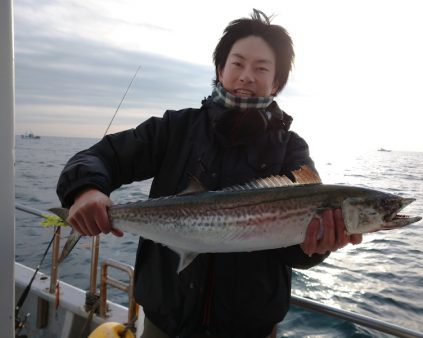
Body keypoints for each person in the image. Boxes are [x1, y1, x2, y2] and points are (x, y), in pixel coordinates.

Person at [57, 9, 362, 338]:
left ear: (276, 83)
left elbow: (293, 252)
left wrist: (318, 245)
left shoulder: (291, 150)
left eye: (261, 68)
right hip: (164, 325)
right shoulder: (176, 128)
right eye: (238, 63)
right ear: (220, 68)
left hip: (251, 330)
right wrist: (86, 190)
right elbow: (99, 156)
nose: (247, 76)